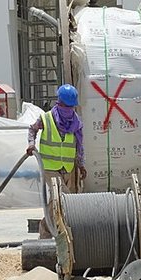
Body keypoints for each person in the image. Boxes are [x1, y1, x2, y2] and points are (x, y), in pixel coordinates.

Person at [27, 83, 86, 239]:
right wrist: (31, 144)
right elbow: (32, 129)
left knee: (60, 201)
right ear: (59, 103)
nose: (69, 110)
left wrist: (81, 164)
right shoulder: (46, 118)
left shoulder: (76, 122)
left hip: (68, 168)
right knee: (64, 199)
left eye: (71, 107)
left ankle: (50, 232)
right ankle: (52, 233)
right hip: (50, 167)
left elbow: (79, 145)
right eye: (66, 106)